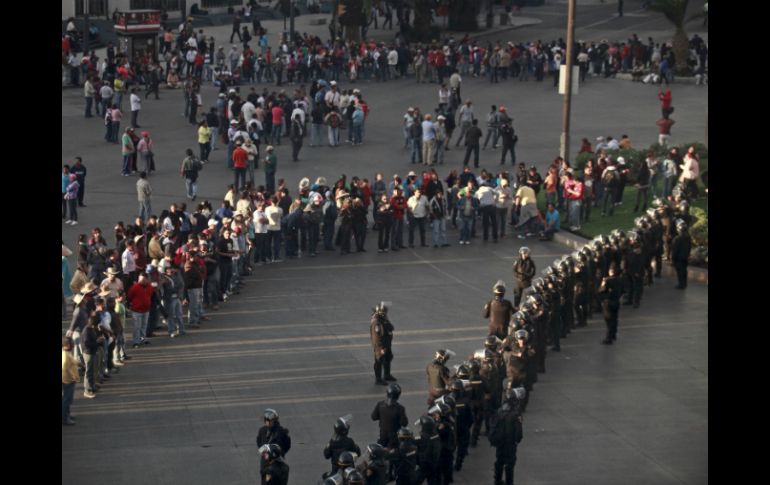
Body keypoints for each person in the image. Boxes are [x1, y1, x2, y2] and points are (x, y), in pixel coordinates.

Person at [489, 389, 524, 485]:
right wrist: (517, 440)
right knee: (510, 464)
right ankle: (509, 482)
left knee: (499, 461)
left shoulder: (500, 411)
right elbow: (518, 432)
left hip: (500, 441)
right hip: (510, 443)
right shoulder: (516, 414)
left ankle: (497, 480)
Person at [371, 383, 408, 448]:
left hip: (382, 435)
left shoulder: (380, 404)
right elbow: (404, 423)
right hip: (394, 436)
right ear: (398, 395)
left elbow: (373, 417)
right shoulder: (400, 408)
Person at [370, 302, 397, 385]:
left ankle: (387, 375)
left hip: (386, 344)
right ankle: (378, 379)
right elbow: (376, 338)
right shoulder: (376, 322)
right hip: (381, 346)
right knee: (379, 360)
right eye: (384, 311)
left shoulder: (383, 319)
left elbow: (391, 327)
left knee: (388, 357)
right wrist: (381, 348)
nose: (386, 313)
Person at [599, 263, 623, 344]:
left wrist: (603, 283)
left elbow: (601, 291)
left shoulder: (607, 281)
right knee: (614, 319)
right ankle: (613, 334)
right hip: (616, 301)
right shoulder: (620, 280)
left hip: (608, 302)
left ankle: (608, 338)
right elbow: (623, 290)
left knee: (609, 321)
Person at [62, 336, 80, 424]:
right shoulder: (65, 355)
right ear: (68, 345)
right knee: (67, 399)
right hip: (68, 380)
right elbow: (65, 367)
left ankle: (67, 414)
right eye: (72, 343)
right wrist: (73, 377)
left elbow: (72, 361)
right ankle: (65, 418)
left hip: (68, 380)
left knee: (67, 399)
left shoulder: (66, 353)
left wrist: (79, 363)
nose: (73, 345)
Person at [671, 219, 692, 289]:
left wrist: (672, 259)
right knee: (684, 271)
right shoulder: (688, 237)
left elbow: (674, 250)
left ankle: (681, 284)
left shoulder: (677, 239)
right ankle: (684, 283)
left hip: (678, 258)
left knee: (680, 272)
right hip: (685, 257)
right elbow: (689, 247)